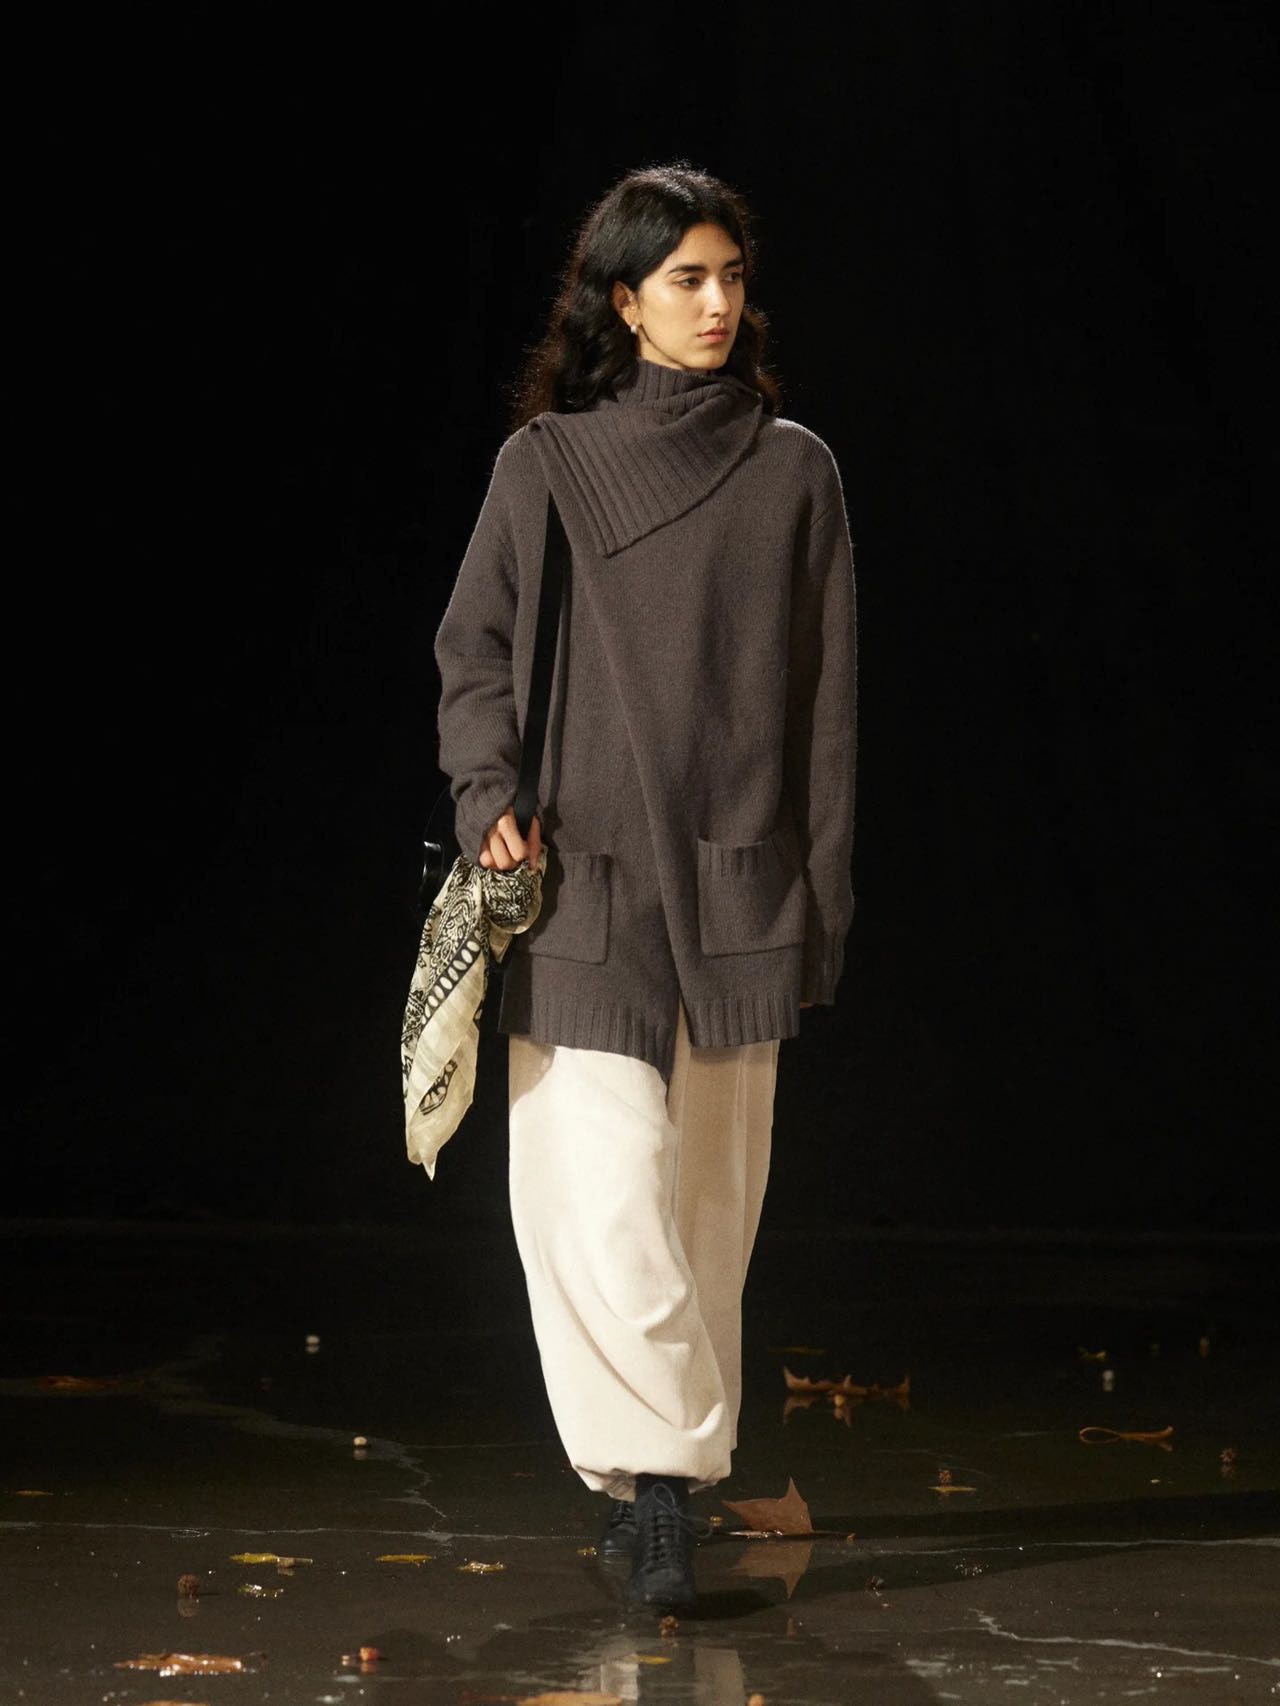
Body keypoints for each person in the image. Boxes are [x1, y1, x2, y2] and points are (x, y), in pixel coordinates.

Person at [433, 160, 857, 1613]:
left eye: (732, 276)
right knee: (599, 1201)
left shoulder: (794, 472)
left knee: (704, 1214)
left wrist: (821, 902)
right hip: (585, 882)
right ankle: (667, 1491)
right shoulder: (548, 466)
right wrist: (486, 793)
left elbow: (826, 708)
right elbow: (475, 650)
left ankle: (646, 1491)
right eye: (687, 278)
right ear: (623, 299)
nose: (717, 302)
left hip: (738, 883)